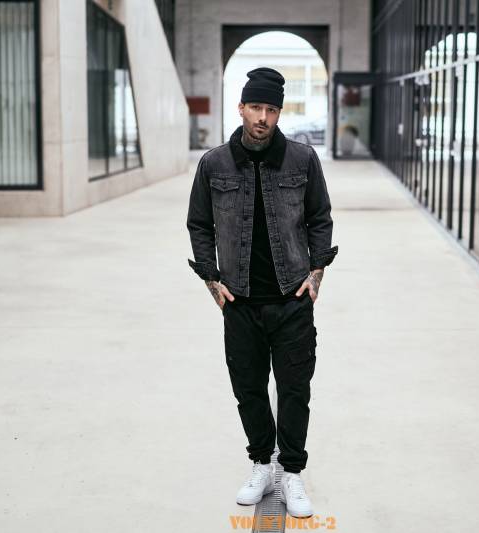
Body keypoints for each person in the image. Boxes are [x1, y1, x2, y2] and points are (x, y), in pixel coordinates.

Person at [185, 67, 338, 518]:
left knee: (294, 389)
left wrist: (316, 274)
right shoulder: (214, 164)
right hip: (240, 301)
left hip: (292, 299)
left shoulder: (302, 160)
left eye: (271, 109)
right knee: (249, 389)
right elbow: (199, 224)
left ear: (278, 113)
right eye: (255, 107)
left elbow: (320, 218)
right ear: (241, 108)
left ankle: (291, 471)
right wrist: (211, 279)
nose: (263, 117)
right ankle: (260, 464)